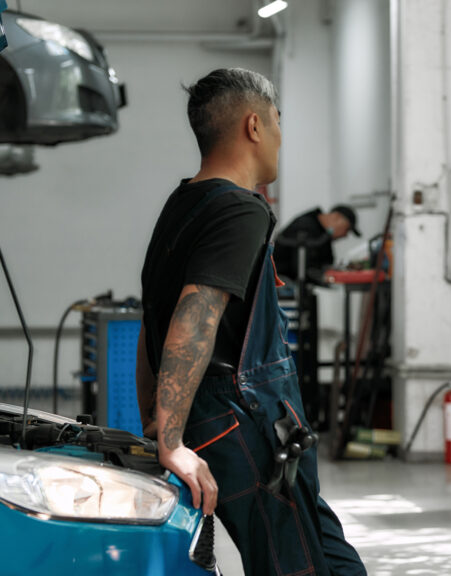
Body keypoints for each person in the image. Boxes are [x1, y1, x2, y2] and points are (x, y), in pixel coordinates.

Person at [135, 68, 366, 576]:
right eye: (279, 122)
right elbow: (194, 317)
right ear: (255, 126)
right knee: (292, 566)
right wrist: (169, 440)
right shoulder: (242, 210)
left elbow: (151, 318)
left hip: (233, 418)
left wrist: (157, 416)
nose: (282, 137)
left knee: (333, 558)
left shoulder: (181, 204)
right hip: (242, 420)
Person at [274, 204, 362, 283]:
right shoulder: (305, 226)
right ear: (336, 217)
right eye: (346, 229)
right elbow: (302, 268)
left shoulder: (323, 235)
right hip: (280, 281)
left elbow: (327, 262)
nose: (345, 235)